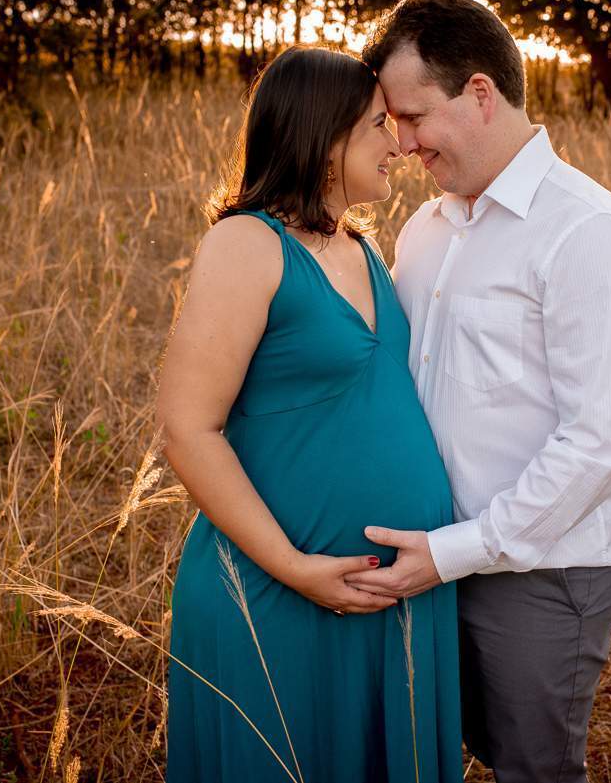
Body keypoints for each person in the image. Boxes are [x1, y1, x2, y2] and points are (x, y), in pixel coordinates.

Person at [346, 0, 611, 782]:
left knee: (531, 768)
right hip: (431, 556)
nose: (402, 143)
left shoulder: (591, 234)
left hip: (542, 570)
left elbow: (600, 447)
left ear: (480, 93)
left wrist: (456, 552)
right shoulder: (426, 228)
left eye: (414, 117)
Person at [154, 45, 462, 783]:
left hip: (388, 598)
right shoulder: (247, 243)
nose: (398, 144)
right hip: (276, 593)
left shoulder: (362, 248)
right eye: (377, 124)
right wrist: (296, 568)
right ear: (325, 140)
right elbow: (187, 429)